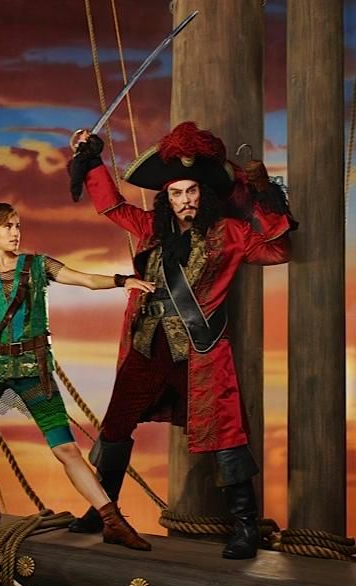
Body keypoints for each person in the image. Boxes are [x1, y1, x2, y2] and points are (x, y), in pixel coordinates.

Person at [67, 121, 297, 559]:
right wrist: (90, 159)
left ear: (203, 194)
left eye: (191, 191)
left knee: (226, 433)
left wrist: (264, 195)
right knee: (114, 428)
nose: (185, 200)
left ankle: (246, 527)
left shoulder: (229, 233)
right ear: (166, 197)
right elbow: (111, 205)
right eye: (176, 193)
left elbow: (279, 250)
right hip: (146, 348)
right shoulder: (149, 228)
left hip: (200, 353)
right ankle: (104, 512)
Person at [0, 185, 155, 551]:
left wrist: (123, 280)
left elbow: (85, 279)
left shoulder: (39, 266)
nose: (16, 232)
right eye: (8, 226)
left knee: (66, 451)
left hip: (33, 370)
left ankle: (113, 521)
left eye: (18, 225)